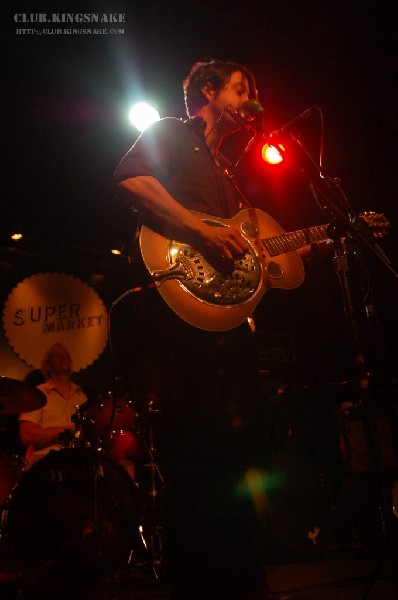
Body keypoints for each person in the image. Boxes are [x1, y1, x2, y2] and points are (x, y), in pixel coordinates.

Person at [114, 60, 293, 600]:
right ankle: (197, 582)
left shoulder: (228, 173)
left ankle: (241, 576)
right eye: (242, 89)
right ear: (209, 91)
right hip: (181, 318)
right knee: (194, 446)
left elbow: (247, 258)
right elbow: (130, 179)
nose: (250, 98)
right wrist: (198, 231)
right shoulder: (169, 132)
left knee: (240, 446)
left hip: (226, 323)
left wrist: (291, 253)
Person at [19, 342, 88, 469]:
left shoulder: (82, 397)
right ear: (47, 366)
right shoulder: (36, 394)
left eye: (66, 355)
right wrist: (67, 430)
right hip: (44, 463)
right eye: (57, 355)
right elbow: (27, 435)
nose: (63, 357)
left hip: (78, 462)